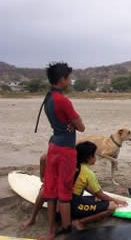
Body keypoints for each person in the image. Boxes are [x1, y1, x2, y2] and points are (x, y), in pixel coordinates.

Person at [23, 142, 127, 230]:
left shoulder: (71, 166)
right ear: (88, 157)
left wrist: (95, 195)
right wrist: (117, 201)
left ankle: (33, 218)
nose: (95, 158)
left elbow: (83, 186)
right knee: (111, 207)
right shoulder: (88, 173)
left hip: (62, 203)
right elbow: (101, 195)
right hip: (74, 206)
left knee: (96, 199)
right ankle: (80, 222)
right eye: (94, 155)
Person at [36, 62, 85, 239]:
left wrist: (68, 124)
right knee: (65, 192)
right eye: (69, 78)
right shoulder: (63, 100)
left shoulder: (48, 97)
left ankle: (51, 230)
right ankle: (65, 229)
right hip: (65, 150)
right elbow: (81, 127)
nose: (70, 81)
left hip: (53, 146)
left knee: (51, 190)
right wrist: (72, 124)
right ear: (62, 79)